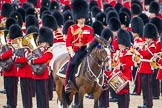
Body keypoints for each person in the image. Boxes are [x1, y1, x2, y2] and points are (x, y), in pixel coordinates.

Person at [65, 0, 94, 93]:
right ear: (77, 18)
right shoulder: (72, 28)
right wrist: (71, 52)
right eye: (81, 18)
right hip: (75, 50)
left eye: (84, 18)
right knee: (71, 64)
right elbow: (68, 42)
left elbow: (90, 41)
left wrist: (87, 48)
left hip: (85, 50)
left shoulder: (88, 29)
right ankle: (67, 83)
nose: (82, 19)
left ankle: (97, 82)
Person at [29, 27, 53, 108]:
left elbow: (43, 59)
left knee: (44, 94)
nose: (42, 43)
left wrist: (33, 61)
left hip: (43, 75)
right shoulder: (40, 51)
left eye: (43, 42)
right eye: (41, 42)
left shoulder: (49, 52)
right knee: (38, 94)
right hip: (36, 74)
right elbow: (31, 57)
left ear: (47, 42)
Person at [137, 23, 157, 108]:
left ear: (151, 38)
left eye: (147, 38)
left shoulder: (152, 47)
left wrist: (140, 49)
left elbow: (145, 54)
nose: (146, 39)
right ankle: (145, 103)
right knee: (144, 88)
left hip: (148, 69)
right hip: (143, 68)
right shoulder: (147, 45)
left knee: (147, 88)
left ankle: (149, 104)